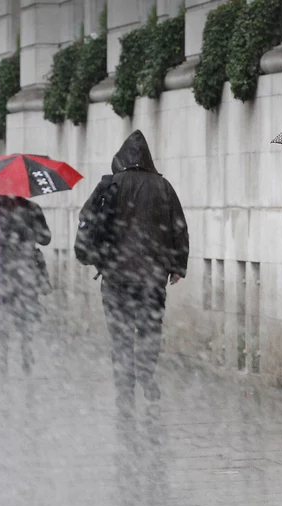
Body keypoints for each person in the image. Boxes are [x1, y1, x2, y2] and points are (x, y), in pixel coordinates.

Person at [87, 129, 188, 428]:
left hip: (116, 275)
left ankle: (124, 390)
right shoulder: (163, 187)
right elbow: (178, 225)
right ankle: (146, 373)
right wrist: (177, 264)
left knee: (120, 336)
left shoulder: (110, 185)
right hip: (151, 276)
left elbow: (89, 221)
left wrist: (96, 255)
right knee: (148, 330)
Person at [0, 194, 52, 379]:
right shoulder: (31, 209)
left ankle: (2, 361)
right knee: (25, 319)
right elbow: (45, 238)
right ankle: (25, 355)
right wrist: (27, 230)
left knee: (0, 320)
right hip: (24, 274)